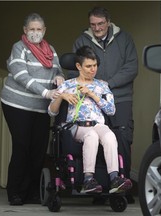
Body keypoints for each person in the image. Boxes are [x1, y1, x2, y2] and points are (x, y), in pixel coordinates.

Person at [68, 6, 138, 203]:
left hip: (120, 97)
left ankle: (121, 188)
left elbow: (132, 67)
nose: (97, 28)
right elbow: (75, 70)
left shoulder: (125, 39)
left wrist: (108, 84)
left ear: (108, 22)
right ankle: (99, 187)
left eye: (100, 24)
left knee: (122, 138)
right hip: (91, 100)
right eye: (93, 24)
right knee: (94, 137)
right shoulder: (82, 40)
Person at [48, 45, 132, 194]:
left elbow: (111, 110)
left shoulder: (102, 86)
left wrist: (93, 95)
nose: (93, 69)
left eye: (95, 66)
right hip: (77, 126)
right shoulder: (67, 85)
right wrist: (61, 96)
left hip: (98, 125)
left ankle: (114, 179)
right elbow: (51, 112)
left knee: (110, 135)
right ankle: (88, 180)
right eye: (88, 66)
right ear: (79, 66)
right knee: (91, 135)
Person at [0, 13, 64, 206]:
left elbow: (57, 68)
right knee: (22, 147)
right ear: (25, 30)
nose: (35, 33)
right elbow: (21, 75)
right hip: (17, 105)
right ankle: (15, 192)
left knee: (38, 150)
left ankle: (32, 192)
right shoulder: (19, 48)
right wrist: (46, 92)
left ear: (44, 31)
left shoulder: (50, 50)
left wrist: (59, 77)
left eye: (39, 29)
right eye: (32, 29)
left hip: (41, 109)